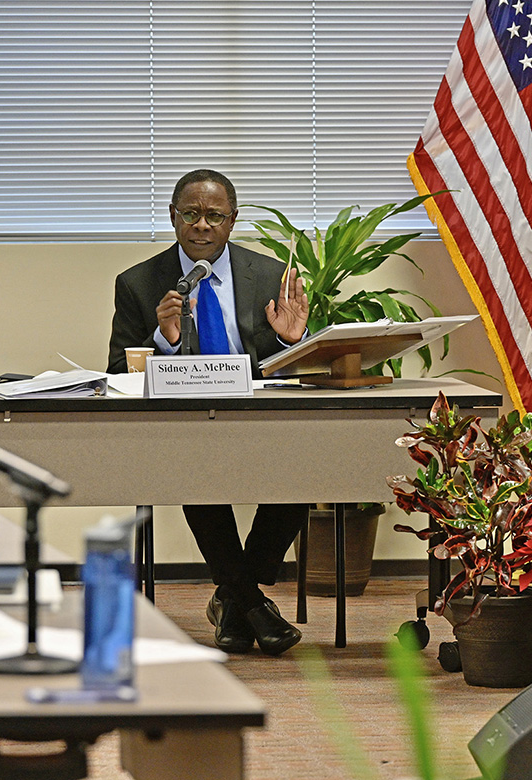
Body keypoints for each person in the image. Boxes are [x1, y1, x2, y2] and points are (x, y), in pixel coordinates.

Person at [107, 169, 309, 656]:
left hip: (259, 422)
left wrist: (290, 339)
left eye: (213, 216)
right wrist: (165, 340)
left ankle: (234, 599)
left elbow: (295, 367)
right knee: (195, 473)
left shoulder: (268, 277)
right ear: (173, 217)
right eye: (191, 214)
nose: (201, 225)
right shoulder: (138, 283)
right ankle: (248, 602)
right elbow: (116, 370)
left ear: (232, 221)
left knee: (306, 470)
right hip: (186, 428)